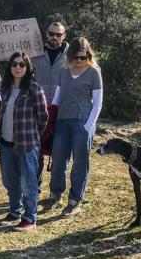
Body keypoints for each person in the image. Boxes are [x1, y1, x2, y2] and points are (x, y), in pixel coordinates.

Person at [43, 37, 103, 216]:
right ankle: (55, 194)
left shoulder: (94, 72)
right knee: (59, 159)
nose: (79, 61)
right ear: (70, 56)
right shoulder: (64, 71)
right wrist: (50, 116)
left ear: (89, 56)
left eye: (83, 57)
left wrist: (88, 126)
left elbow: (98, 102)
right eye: (76, 57)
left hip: (83, 122)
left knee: (80, 162)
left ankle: (75, 199)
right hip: (62, 120)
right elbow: (57, 96)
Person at [0, 52, 48, 231]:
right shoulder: (6, 88)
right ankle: (14, 211)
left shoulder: (34, 89)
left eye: (22, 64)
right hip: (6, 142)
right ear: (9, 67)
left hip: (26, 144)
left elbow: (43, 118)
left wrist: (32, 136)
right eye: (14, 64)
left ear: (28, 68)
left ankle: (30, 217)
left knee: (28, 182)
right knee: (10, 180)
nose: (18, 67)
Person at [31, 22, 68, 191]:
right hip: (38, 109)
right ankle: (34, 187)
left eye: (58, 35)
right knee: (36, 151)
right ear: (46, 34)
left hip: (61, 110)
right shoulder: (35, 53)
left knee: (59, 151)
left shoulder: (72, 55)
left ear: (64, 36)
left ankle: (56, 191)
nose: (54, 37)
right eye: (52, 33)